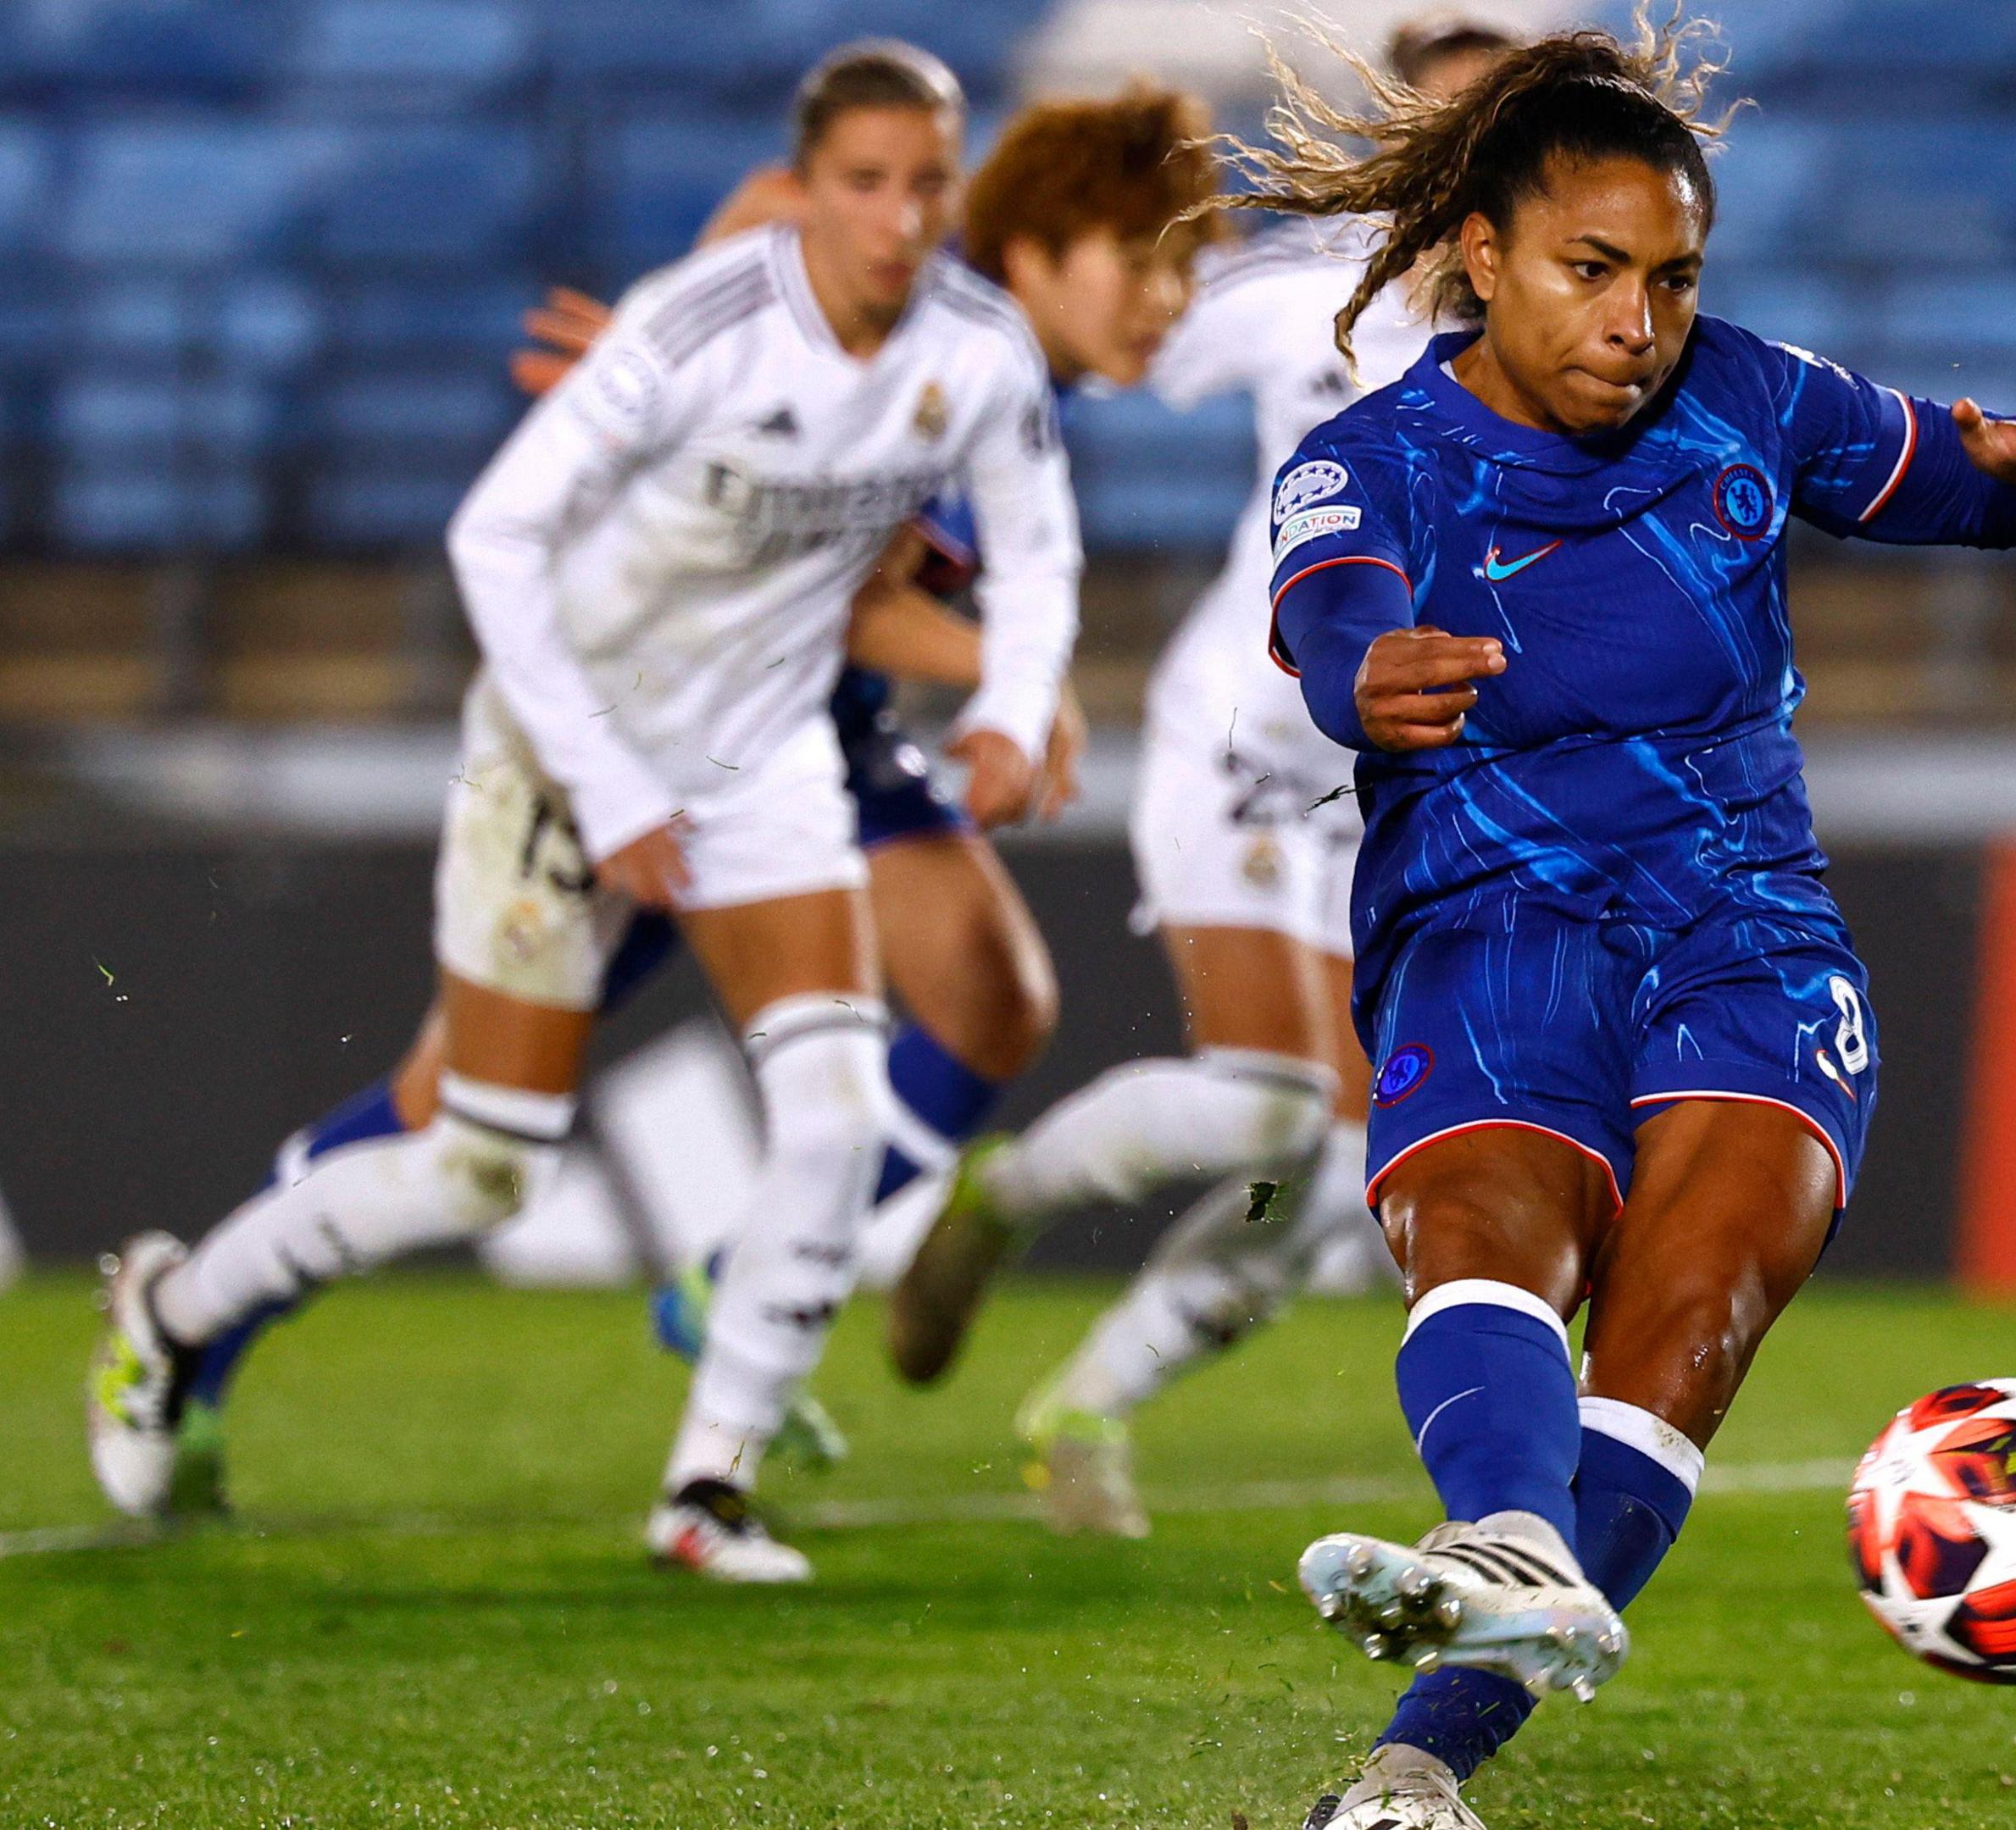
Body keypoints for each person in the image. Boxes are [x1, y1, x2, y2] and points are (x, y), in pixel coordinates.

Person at [1230, 19, 2016, 1827]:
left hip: (1746, 931)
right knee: (1495, 1227)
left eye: (1669, 275)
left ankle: (1416, 1773)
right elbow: (1330, 613)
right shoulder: (1371, 459)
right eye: (1592, 272)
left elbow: (1925, 466)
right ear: (1479, 257)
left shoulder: (1747, 392)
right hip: (1491, 914)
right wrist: (1363, 674)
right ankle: (1501, 1536)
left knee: (1689, 1322)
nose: (1637, 317)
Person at [135, 86, 1222, 1521]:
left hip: (804, 738)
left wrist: (1017, 678)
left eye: (1185, 269)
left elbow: (867, 581)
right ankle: (197, 1328)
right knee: (456, 1123)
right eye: (1144, 261)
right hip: (661, 729)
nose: (1169, 302)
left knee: (989, 995)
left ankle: (731, 1310)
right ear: (1034, 246)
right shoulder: (878, 292)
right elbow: (767, 309)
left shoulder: (997, 387)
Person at [883, 10, 1524, 1542]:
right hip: (1246, 747)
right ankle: (1002, 1196)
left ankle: (1085, 1405)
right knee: (1269, 1110)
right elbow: (1084, 326)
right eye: (1437, 136)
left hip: (1400, 795)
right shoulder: (1307, 299)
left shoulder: (1571, 357)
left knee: (1323, 1172)